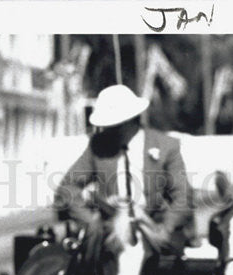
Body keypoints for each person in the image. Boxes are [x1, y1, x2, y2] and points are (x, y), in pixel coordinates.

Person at [53, 84, 192, 256]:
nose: (108, 129)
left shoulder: (166, 146)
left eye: (114, 124)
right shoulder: (98, 147)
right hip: (111, 230)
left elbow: (183, 195)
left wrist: (166, 229)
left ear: (130, 120)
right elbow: (67, 187)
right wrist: (91, 222)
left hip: (155, 228)